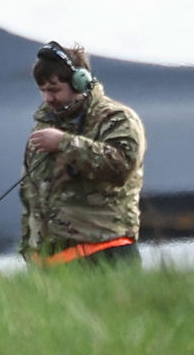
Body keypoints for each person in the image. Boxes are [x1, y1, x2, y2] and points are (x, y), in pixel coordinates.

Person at [20, 42, 146, 268]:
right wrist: (29, 249)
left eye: (54, 89)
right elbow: (30, 192)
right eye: (43, 90)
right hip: (52, 264)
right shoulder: (43, 128)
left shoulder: (117, 119)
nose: (48, 98)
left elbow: (121, 167)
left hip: (106, 256)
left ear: (80, 82)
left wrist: (64, 143)